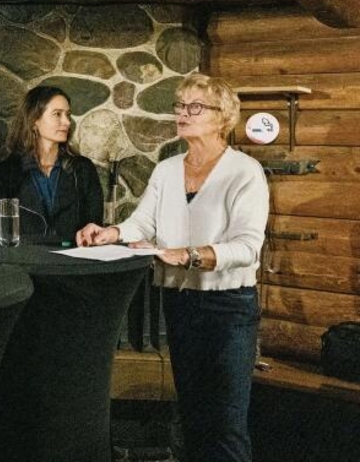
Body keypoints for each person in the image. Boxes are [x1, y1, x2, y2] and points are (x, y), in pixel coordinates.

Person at [76, 73, 268, 462]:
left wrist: (189, 255)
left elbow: (247, 246)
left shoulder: (244, 172)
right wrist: (110, 232)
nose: (182, 113)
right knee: (193, 418)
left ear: (222, 117)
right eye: (179, 106)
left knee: (225, 424)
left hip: (228, 307)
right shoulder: (166, 170)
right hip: (180, 304)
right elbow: (142, 224)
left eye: (194, 106)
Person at [0, 85, 103, 243]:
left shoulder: (83, 169)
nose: (67, 122)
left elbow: (94, 226)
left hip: (72, 262)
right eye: (57, 114)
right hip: (25, 263)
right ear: (34, 121)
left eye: (68, 115)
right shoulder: (6, 172)